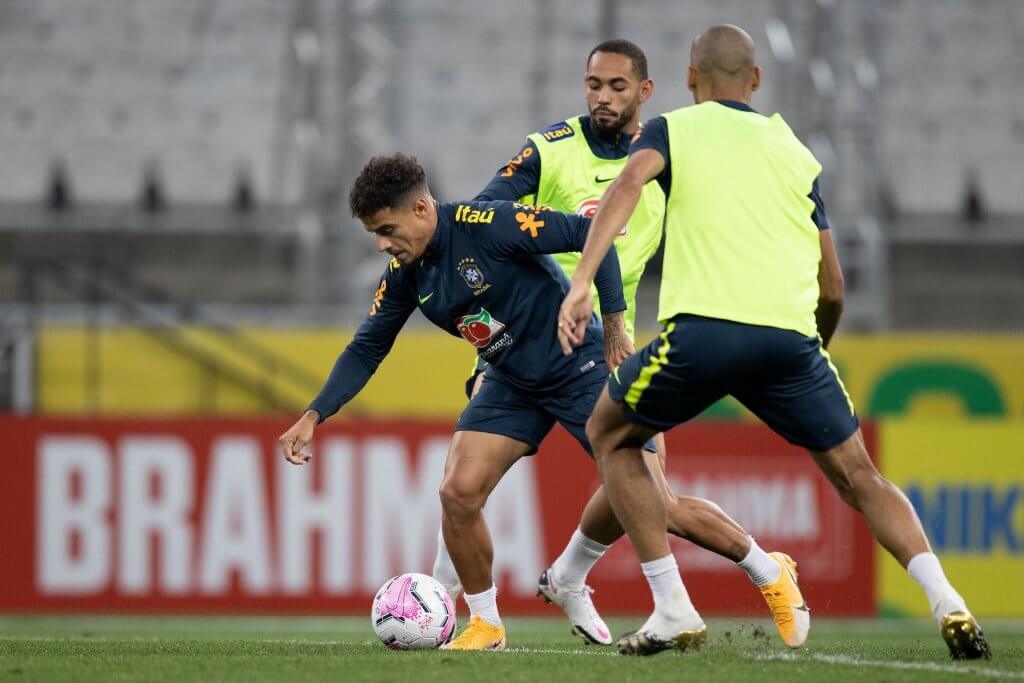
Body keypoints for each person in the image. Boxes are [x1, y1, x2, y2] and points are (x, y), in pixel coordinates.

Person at [558, 24, 991, 660]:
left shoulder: (673, 128)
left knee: (610, 433)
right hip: (791, 341)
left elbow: (624, 190)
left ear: (688, 79)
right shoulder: (795, 151)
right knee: (860, 476)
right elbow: (834, 284)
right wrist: (812, 353)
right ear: (756, 80)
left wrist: (581, 282)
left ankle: (672, 606)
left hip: (703, 331)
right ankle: (947, 599)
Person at [430, 39, 809, 649]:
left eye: (617, 87)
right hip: (527, 344)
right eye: (593, 85)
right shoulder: (549, 150)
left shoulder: (666, 156)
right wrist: (487, 337)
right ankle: (463, 613)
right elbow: (481, 219)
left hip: (605, 348)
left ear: (646, 92)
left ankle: (763, 568)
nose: (603, 98)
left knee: (652, 499)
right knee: (460, 486)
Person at [279, 153, 634, 651]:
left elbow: (588, 233)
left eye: (386, 229)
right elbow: (367, 346)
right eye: (374, 235)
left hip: (578, 364)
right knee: (458, 492)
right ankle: (486, 624)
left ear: (422, 208)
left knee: (642, 493)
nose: (382, 244)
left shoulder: (488, 223)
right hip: (511, 379)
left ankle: (749, 568)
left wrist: (615, 326)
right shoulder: (405, 274)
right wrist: (314, 414)